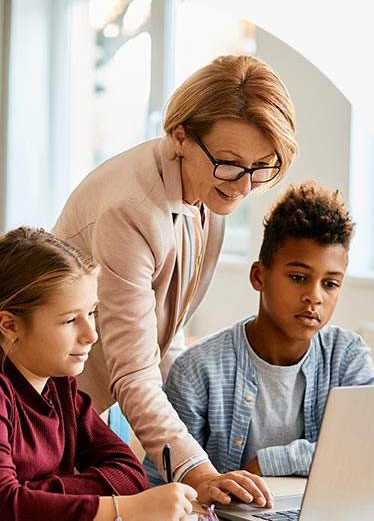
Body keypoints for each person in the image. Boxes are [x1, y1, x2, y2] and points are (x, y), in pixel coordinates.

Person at [52, 54, 297, 506]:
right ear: (180, 135)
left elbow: (167, 333)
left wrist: (197, 455)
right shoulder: (132, 209)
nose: (244, 186)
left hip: (95, 399)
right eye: (229, 162)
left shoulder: (211, 194)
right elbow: (134, 370)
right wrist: (196, 470)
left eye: (263, 166)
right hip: (49, 400)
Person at [143, 180, 374, 484]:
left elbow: (367, 447)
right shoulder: (198, 371)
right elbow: (159, 483)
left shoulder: (347, 358)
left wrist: (266, 462)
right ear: (259, 276)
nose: (315, 296)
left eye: (330, 284)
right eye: (298, 277)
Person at [0, 227, 197, 521]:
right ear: (10, 325)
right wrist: (124, 508)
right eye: (69, 320)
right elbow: (5, 504)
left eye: (92, 313)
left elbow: (129, 475)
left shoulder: (61, 389)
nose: (91, 334)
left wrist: (34, 496)